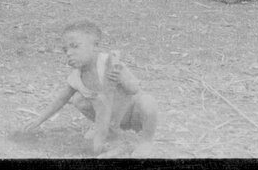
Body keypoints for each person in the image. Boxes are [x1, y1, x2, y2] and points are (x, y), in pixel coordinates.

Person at [21, 21, 158, 157]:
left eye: (75, 46)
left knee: (148, 101)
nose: (69, 53)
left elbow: (134, 89)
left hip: (131, 114)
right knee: (78, 100)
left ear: (95, 45)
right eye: (65, 49)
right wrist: (39, 120)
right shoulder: (77, 76)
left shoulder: (110, 63)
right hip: (109, 118)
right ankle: (107, 130)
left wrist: (120, 77)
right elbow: (61, 99)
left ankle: (146, 141)